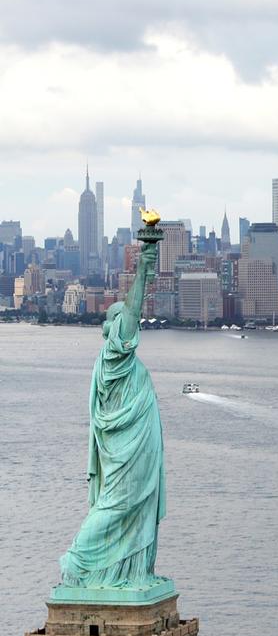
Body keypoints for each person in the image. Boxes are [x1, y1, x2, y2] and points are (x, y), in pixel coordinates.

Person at [60, 241, 165, 587]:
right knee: (117, 505)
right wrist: (144, 270)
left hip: (134, 447)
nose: (134, 328)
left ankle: (132, 569)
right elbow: (133, 311)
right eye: (127, 322)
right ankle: (78, 561)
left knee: (131, 507)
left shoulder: (120, 362)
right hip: (125, 450)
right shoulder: (113, 357)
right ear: (118, 328)